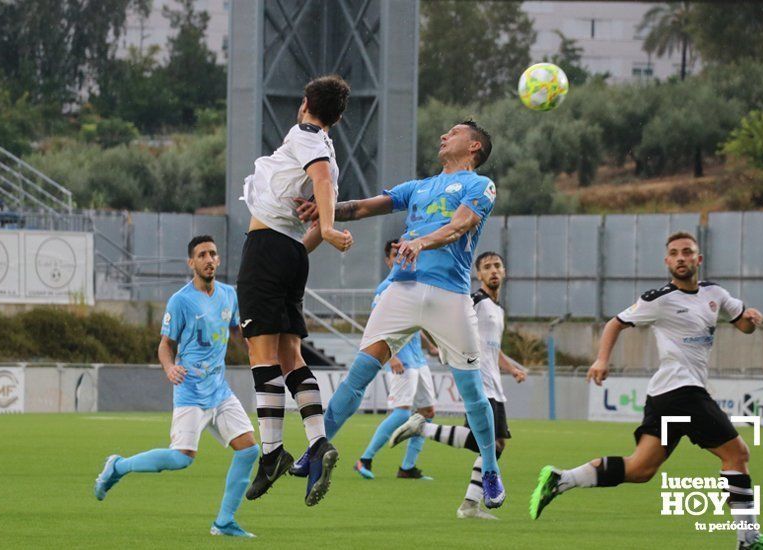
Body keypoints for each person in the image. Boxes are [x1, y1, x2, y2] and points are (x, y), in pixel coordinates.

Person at [296, 119, 506, 509]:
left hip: (449, 296)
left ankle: (490, 469)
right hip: (401, 291)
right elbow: (360, 208)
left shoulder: (481, 185)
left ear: (474, 147)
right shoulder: (419, 187)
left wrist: (421, 241)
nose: (444, 136)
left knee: (473, 392)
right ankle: (314, 450)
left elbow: (460, 225)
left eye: (455, 133)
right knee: (357, 375)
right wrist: (322, 209)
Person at [529, 232, 763, 550]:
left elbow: (742, 323)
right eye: (674, 253)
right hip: (682, 392)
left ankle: (561, 479)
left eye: (687, 252)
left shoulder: (715, 293)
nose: (681, 257)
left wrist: (752, 318)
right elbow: (614, 323)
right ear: (667, 261)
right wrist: (602, 359)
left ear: (698, 259)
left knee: (640, 469)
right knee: (737, 454)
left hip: (665, 398)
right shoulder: (659, 299)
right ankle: (749, 540)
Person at [93, 236, 259, 538]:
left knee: (248, 451)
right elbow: (165, 344)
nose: (209, 259)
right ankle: (118, 466)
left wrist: (252, 344)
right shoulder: (180, 301)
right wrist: (170, 367)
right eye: (201, 255)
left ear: (218, 260)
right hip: (191, 392)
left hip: (219, 391)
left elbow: (236, 329)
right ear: (191, 263)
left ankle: (224, 522)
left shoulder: (228, 295)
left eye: (213, 254)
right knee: (181, 459)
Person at [237, 74, 353, 506]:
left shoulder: (307, 135)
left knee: (261, 355)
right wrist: (306, 244)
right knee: (291, 357)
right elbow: (323, 186)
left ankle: (271, 454)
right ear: (338, 118)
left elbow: (321, 182)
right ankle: (318, 442)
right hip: (289, 252)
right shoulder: (328, 152)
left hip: (267, 249)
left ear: (306, 103)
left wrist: (326, 226)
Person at [390, 251, 526, 518]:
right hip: (479, 382)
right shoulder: (474, 300)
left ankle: (470, 503)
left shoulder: (498, 310)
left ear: (505, 271)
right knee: (488, 445)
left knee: (495, 445)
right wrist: (443, 348)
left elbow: (493, 348)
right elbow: (440, 319)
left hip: (494, 383)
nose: (493, 270)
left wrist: (512, 368)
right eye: (487, 267)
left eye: (498, 265)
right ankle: (424, 431)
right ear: (479, 274)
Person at [353, 239, 440, 481]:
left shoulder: (411, 286)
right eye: (395, 254)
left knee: (427, 411)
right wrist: (392, 358)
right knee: (402, 413)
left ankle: (407, 468)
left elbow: (412, 324)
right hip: (402, 360)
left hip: (418, 360)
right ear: (388, 260)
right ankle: (365, 459)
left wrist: (430, 345)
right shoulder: (386, 289)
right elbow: (377, 326)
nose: (401, 257)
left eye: (404, 252)